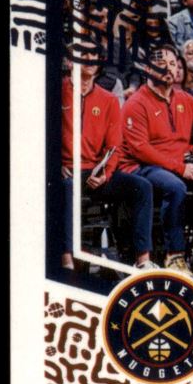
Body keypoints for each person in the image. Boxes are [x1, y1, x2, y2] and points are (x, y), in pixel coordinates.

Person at [120, 45, 193, 277]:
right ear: (148, 69)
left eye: (173, 64)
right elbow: (141, 149)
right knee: (175, 187)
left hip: (180, 165)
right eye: (161, 64)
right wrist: (180, 167)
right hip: (144, 167)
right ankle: (174, 255)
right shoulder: (136, 103)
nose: (169, 69)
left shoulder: (184, 99)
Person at [61, 61, 156, 271]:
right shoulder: (55, 90)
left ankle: (142, 260)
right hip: (66, 171)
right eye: (83, 53)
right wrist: (54, 164)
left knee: (142, 186)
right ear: (70, 61)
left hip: (95, 171)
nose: (88, 59)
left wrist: (105, 173)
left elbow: (114, 146)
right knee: (66, 187)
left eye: (93, 54)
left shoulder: (109, 99)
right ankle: (66, 260)